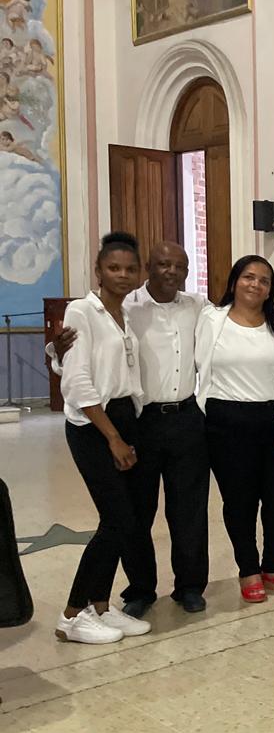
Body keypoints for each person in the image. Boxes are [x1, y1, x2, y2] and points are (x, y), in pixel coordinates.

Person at [49, 241, 213, 616]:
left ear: (187, 271)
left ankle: (190, 586)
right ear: (149, 269)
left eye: (179, 266)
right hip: (141, 421)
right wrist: (57, 350)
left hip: (187, 417)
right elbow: (82, 359)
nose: (170, 271)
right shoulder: (126, 306)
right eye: (162, 264)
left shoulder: (198, 307)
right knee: (136, 511)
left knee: (189, 509)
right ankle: (140, 588)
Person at [55, 233, 151, 644]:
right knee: (117, 520)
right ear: (98, 271)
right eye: (114, 268)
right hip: (94, 425)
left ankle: (100, 606)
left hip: (124, 418)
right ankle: (72, 614)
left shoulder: (124, 314)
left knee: (123, 521)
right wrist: (112, 437)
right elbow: (77, 380)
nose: (123, 275)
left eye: (131, 269)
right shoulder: (82, 310)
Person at [197, 255, 274, 604]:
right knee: (239, 501)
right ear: (234, 282)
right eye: (248, 277)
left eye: (264, 280)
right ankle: (248, 569)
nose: (255, 285)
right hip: (225, 420)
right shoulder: (211, 320)